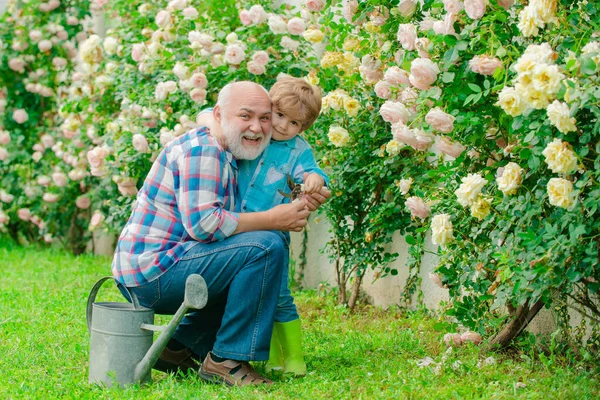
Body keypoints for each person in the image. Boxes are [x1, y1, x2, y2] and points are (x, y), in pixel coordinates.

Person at [111, 81, 330, 386]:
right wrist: (273, 218)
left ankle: (177, 347)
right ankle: (227, 360)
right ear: (219, 115)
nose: (257, 127)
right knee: (264, 246)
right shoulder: (205, 152)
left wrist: (307, 190)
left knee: (250, 257)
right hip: (154, 273)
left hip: (165, 266)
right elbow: (205, 225)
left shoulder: (228, 148)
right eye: (245, 116)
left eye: (265, 118)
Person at [196, 77, 327, 376]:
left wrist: (315, 180)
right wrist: (211, 121)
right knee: (247, 292)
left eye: (295, 123)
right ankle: (271, 356)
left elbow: (311, 171)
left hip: (271, 234)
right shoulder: (257, 133)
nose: (283, 126)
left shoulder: (297, 150)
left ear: (303, 128)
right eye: (279, 116)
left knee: (278, 295)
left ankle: (294, 358)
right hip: (236, 228)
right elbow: (208, 112)